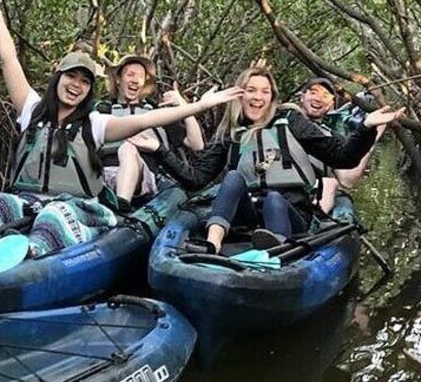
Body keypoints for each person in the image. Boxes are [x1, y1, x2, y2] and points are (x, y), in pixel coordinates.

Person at [0, 0, 243, 257]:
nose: (76, 85)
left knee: (53, 216)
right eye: (71, 76)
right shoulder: (31, 109)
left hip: (77, 206)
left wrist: (200, 106)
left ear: (89, 89)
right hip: (29, 199)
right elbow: (9, 58)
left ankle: (32, 252)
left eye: (84, 81)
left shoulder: (95, 123)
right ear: (58, 77)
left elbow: (151, 118)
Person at [133, 68, 403, 253]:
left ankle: (279, 253)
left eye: (264, 91)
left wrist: (366, 127)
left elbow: (343, 157)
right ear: (241, 95)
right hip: (248, 213)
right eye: (251, 90)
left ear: (272, 97)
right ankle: (212, 244)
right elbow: (195, 180)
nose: (257, 97)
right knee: (233, 177)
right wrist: (159, 150)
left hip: (291, 211)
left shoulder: (293, 122)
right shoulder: (232, 132)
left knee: (275, 199)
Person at [96, 55, 204, 204]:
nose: (135, 80)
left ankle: (121, 205)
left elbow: (196, 144)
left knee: (128, 149)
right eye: (130, 74)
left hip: (145, 179)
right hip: (104, 176)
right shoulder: (102, 112)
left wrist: (182, 104)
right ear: (118, 79)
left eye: (140, 77)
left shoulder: (157, 114)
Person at [298, 77, 386, 214]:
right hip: (280, 188)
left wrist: (373, 136)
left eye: (325, 95)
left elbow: (347, 180)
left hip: (316, 194)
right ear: (302, 96)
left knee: (338, 197)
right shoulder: (282, 120)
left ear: (331, 103)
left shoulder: (333, 137)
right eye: (313, 92)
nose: (318, 98)